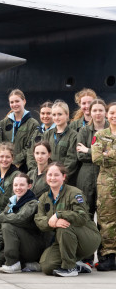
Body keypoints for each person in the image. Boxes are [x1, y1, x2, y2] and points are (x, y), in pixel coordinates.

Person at [35, 162, 101, 277]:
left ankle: (70, 268)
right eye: (50, 175)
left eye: (56, 175)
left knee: (64, 226)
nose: (52, 178)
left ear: (64, 177)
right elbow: (39, 220)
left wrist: (59, 215)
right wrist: (53, 223)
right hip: (64, 239)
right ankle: (77, 265)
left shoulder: (74, 193)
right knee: (47, 266)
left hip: (87, 237)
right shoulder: (44, 197)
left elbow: (82, 217)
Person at [0, 173, 47, 273]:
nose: (18, 188)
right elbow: (2, 229)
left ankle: (13, 263)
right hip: (14, 246)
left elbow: (20, 218)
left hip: (31, 247)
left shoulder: (33, 203)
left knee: (7, 225)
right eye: (16, 185)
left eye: (22, 185)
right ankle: (25, 265)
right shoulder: (11, 203)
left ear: (29, 186)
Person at [91, 102, 116, 271]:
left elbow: (105, 156)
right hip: (107, 184)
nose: (115, 116)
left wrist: (110, 153)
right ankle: (107, 255)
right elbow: (97, 158)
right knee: (106, 220)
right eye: (112, 113)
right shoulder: (100, 135)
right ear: (107, 115)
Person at [30, 100, 78, 181]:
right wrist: (47, 175)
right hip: (47, 178)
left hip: (65, 179)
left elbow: (71, 161)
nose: (56, 117)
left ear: (67, 115)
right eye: (54, 115)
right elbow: (43, 156)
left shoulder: (74, 136)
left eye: (60, 114)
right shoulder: (47, 134)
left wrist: (59, 176)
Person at [76, 98, 107, 215]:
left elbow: (111, 156)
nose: (97, 113)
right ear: (90, 112)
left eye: (100, 110)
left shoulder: (112, 131)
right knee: (85, 211)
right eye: (94, 110)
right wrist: (102, 154)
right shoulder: (84, 131)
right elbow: (80, 155)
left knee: (105, 213)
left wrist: (88, 150)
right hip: (86, 176)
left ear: (105, 112)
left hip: (106, 174)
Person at [0, 89, 39, 171]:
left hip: (23, 167)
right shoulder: (3, 123)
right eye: (12, 102)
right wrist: (6, 159)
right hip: (5, 165)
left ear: (24, 101)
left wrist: (15, 160)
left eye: (17, 101)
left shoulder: (33, 124)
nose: (14, 104)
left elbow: (30, 147)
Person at [0, 142, 20, 210]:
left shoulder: (17, 176)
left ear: (12, 158)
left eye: (8, 157)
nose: (4, 160)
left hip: (7, 214)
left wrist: (0, 216)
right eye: (1, 156)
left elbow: (15, 199)